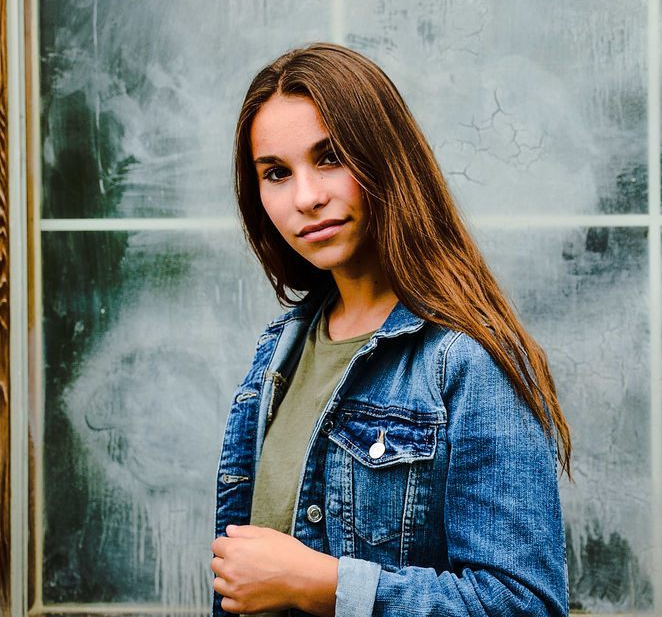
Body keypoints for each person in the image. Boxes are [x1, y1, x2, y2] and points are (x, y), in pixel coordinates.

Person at [211, 43, 571, 617]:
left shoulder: (467, 361)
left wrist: (324, 585)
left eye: (330, 158)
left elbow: (522, 605)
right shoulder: (278, 354)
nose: (306, 197)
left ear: (386, 158)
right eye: (276, 173)